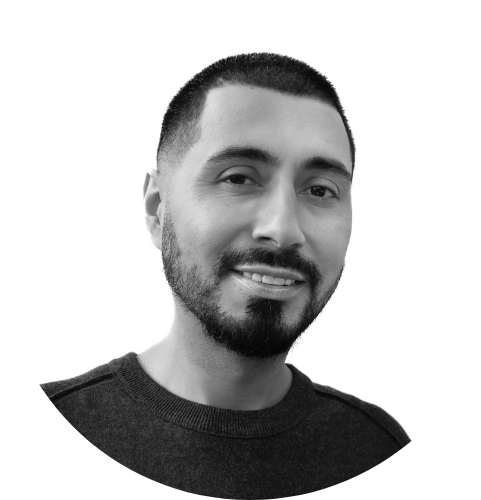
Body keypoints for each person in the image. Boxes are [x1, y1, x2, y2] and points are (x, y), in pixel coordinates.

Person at [41, 53, 410, 499]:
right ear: (158, 210)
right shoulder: (39, 437)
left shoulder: (382, 453)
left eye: (320, 190)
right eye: (238, 179)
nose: (283, 229)